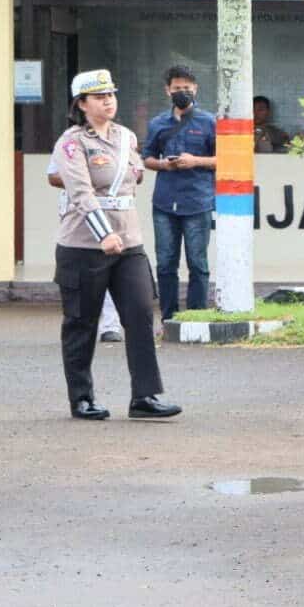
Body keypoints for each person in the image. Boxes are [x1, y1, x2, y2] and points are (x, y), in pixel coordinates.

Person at [53, 70, 180, 421]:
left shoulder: (126, 137)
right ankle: (81, 398)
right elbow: (81, 193)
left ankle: (145, 396)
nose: (108, 101)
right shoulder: (72, 142)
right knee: (81, 322)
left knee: (140, 314)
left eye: (110, 94)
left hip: (129, 243)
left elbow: (134, 177)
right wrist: (103, 234)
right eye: (99, 96)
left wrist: (119, 235)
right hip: (83, 245)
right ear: (82, 104)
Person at [142, 65, 216, 321]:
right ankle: (169, 319)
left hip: (198, 201)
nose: (182, 92)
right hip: (164, 203)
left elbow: (225, 160)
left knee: (198, 263)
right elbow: (147, 158)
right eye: (177, 88)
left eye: (186, 88)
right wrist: (164, 164)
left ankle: (196, 318)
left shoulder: (209, 122)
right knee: (165, 264)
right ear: (168, 90)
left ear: (195, 89)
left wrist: (195, 161)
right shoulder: (157, 124)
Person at [48, 154, 124, 343]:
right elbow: (53, 176)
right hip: (77, 214)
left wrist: (105, 178)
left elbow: (136, 175)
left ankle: (110, 326)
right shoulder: (68, 144)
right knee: (82, 272)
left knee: (109, 264)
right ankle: (83, 327)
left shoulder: (119, 142)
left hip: (111, 210)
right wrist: (84, 181)